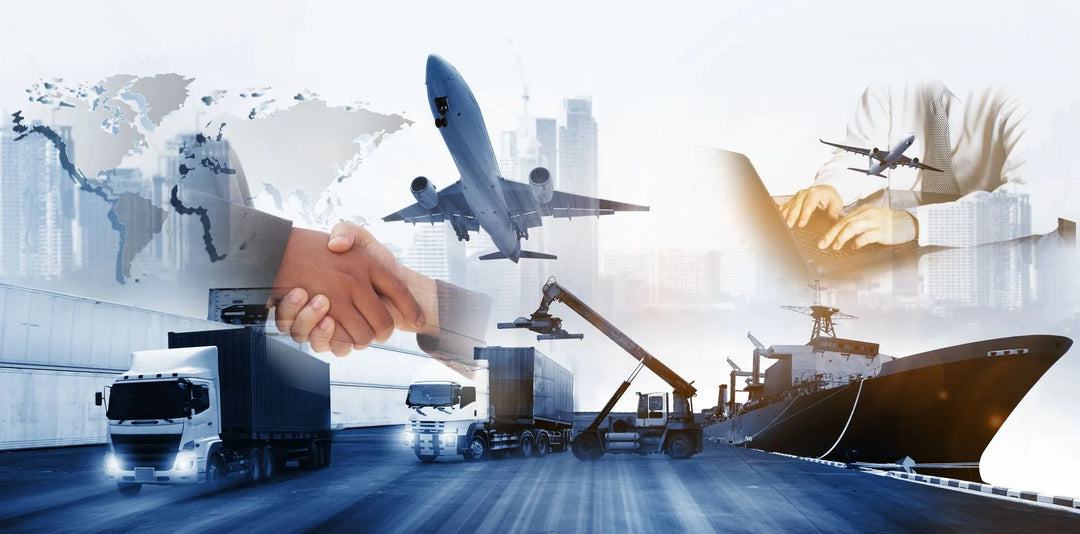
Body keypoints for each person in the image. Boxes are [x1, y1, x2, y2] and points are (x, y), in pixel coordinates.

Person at [780, 81, 1033, 250]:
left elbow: (1033, 201)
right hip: (901, 258)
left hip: (996, 254)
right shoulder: (894, 78)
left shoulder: (1020, 85)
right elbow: (867, 152)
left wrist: (917, 223)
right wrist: (831, 187)